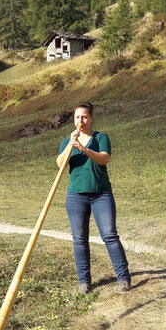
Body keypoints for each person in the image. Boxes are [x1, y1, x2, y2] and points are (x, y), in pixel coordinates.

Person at [57, 102, 131, 294]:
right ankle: (84, 281)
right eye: (77, 117)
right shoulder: (68, 141)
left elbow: (104, 159)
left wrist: (83, 149)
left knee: (109, 235)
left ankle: (123, 277)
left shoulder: (100, 137)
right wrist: (71, 145)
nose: (80, 121)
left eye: (84, 117)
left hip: (101, 195)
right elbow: (60, 164)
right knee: (79, 239)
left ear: (91, 118)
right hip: (76, 196)